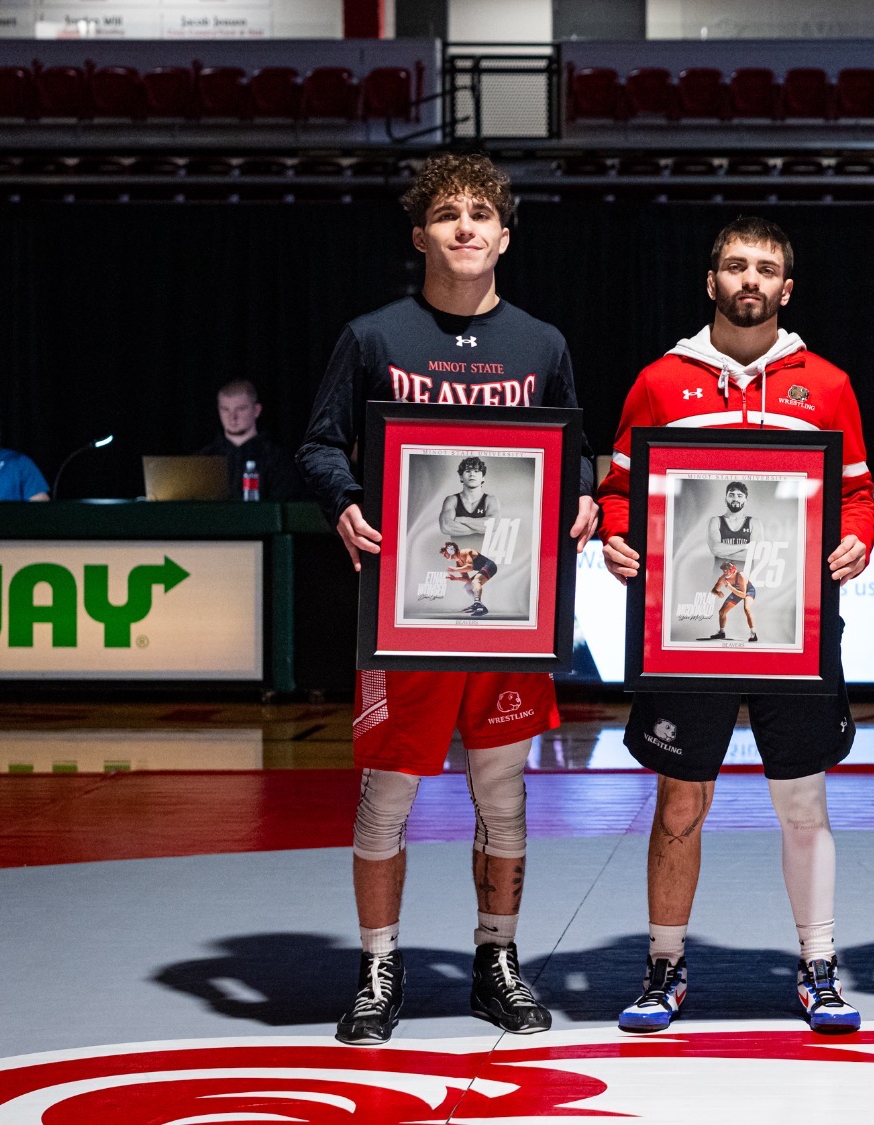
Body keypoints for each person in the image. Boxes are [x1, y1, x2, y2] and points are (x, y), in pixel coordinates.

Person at [296, 152, 597, 1046]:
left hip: (507, 610)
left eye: (480, 213)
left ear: (505, 235)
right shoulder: (374, 337)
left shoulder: (541, 344)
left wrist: (581, 488)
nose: (464, 226)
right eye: (446, 214)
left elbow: (574, 447)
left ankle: (495, 959)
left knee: (502, 795)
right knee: (386, 795)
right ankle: (378, 966)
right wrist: (344, 502)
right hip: (405, 607)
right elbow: (319, 445)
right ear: (420, 232)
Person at [598, 216, 874, 1033]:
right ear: (711, 282)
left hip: (797, 623)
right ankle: (663, 964)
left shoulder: (825, 384)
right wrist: (618, 535)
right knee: (680, 799)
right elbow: (620, 489)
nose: (748, 279)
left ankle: (819, 965)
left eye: (765, 269)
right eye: (734, 266)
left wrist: (858, 538)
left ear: (786, 289)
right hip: (685, 629)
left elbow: (857, 495)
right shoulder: (659, 381)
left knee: (803, 800)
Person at [196, 379, 302, 500]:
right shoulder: (203, 459)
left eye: (241, 409)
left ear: (256, 410)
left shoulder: (277, 459)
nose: (232, 417)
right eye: (225, 409)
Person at [708, 560, 756, 641]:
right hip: (736, 591)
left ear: (733, 570)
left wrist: (730, 588)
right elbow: (713, 590)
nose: (725, 572)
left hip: (748, 591)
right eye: (723, 570)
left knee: (746, 608)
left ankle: (753, 634)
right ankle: (722, 633)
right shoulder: (723, 578)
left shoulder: (741, 576)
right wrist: (717, 592)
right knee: (722, 612)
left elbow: (743, 595)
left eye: (727, 570)